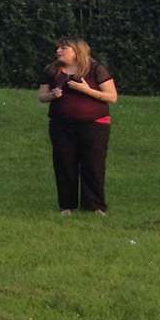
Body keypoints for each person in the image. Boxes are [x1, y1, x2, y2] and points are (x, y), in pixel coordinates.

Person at [39, 38, 115, 215]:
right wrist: (51, 95)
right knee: (64, 163)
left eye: (64, 48)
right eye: (58, 48)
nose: (58, 51)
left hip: (94, 125)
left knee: (93, 165)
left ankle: (95, 206)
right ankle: (67, 206)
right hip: (61, 126)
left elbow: (112, 97)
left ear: (77, 51)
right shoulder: (52, 70)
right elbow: (41, 96)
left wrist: (85, 90)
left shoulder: (95, 69)